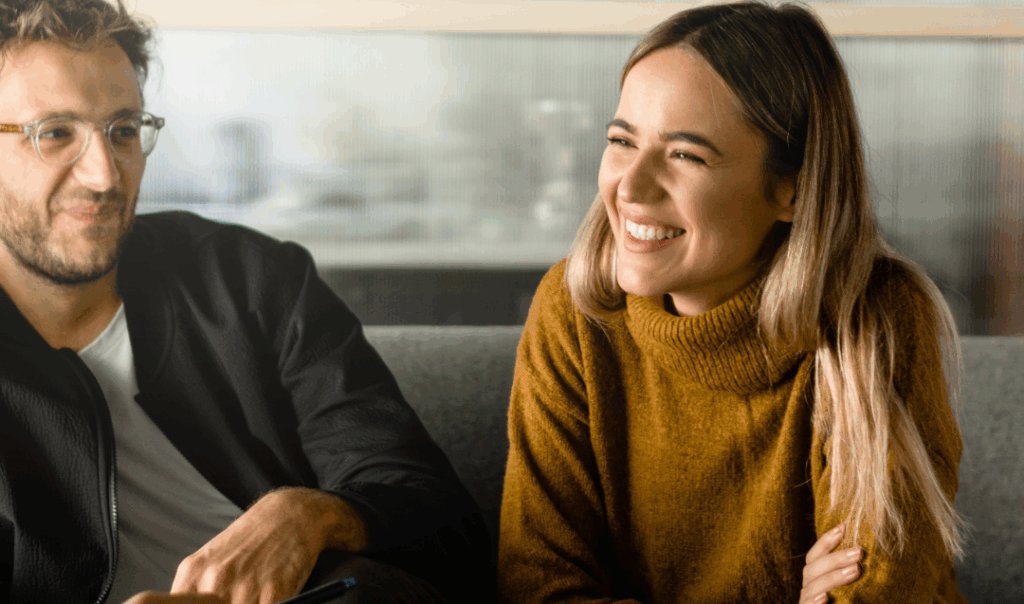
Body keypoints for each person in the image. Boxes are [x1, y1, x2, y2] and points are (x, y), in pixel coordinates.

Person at [0, 1, 490, 603]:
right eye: (55, 134)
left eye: (124, 130)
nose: (105, 174)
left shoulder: (249, 279)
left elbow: (439, 516)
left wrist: (311, 514)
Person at [497, 2, 967, 603]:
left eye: (686, 154)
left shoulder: (874, 317)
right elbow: (537, 587)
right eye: (621, 140)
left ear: (792, 191)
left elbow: (876, 592)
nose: (631, 188)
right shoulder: (574, 311)